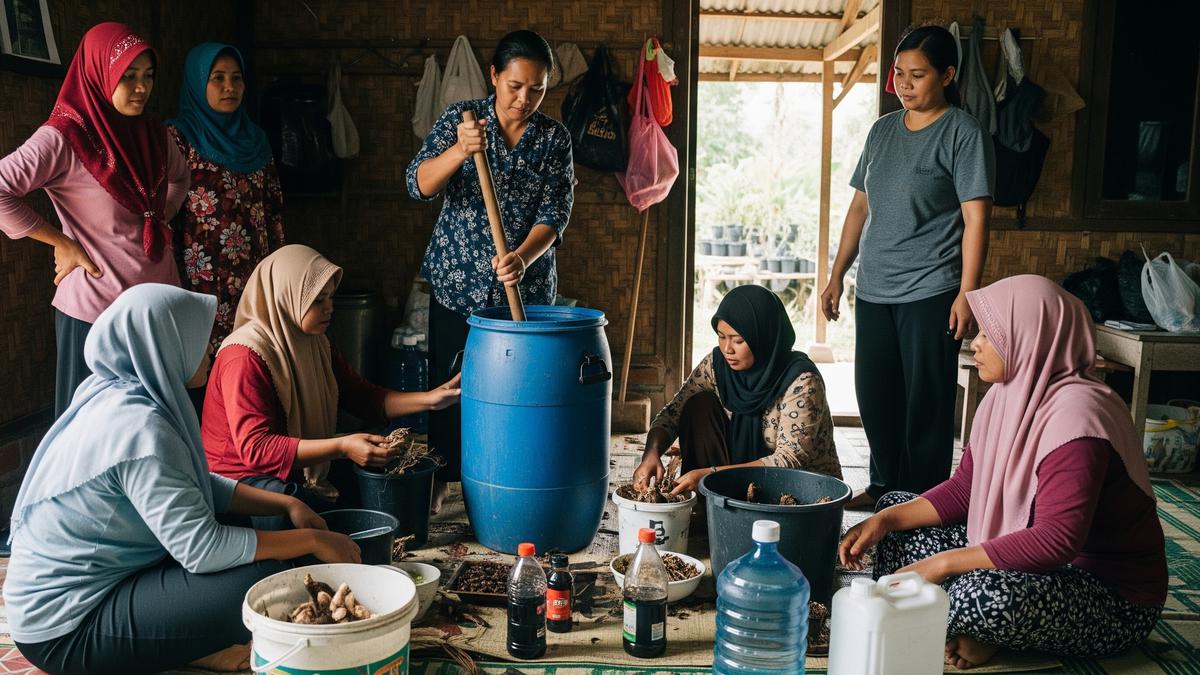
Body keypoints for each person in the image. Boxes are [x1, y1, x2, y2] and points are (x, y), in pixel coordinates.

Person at [3, 284, 361, 674]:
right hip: (67, 631)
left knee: (270, 518)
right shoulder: (141, 430)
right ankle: (183, 647)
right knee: (273, 580)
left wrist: (291, 503)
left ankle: (180, 645)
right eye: (200, 340)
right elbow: (202, 549)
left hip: (107, 584)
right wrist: (313, 539)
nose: (210, 350)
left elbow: (192, 484)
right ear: (165, 346)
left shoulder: (117, 391)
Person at [839, 275, 1165, 670]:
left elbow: (1056, 540)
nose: (974, 343)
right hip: (1034, 565)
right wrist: (885, 520)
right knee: (896, 513)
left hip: (1109, 595)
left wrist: (944, 564)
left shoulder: (1079, 419)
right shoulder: (1006, 395)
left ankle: (985, 631)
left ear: (1031, 339)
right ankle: (964, 625)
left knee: (982, 595)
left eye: (990, 335)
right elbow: (965, 491)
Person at [820, 24, 995, 509]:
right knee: (876, 396)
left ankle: (921, 499)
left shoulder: (963, 133)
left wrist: (967, 293)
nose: (904, 84)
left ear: (948, 75)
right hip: (874, 288)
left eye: (918, 75)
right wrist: (837, 275)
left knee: (926, 403)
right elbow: (859, 208)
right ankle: (884, 487)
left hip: (932, 289)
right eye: (899, 73)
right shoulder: (881, 132)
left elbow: (976, 218)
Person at [406, 29, 574, 513]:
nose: (525, 99)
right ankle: (441, 477)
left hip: (524, 284)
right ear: (494, 77)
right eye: (516, 85)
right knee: (451, 384)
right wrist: (460, 150)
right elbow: (417, 185)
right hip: (458, 282)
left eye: (538, 88)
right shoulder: (461, 123)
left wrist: (522, 256)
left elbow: (555, 212)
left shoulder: (553, 138)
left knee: (518, 386)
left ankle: (509, 475)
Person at [0, 23, 190, 417]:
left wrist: (162, 217)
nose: (141, 87)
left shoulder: (155, 135)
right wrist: (62, 244)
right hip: (96, 312)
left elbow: (179, 178)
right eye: (128, 76)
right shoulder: (64, 137)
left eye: (148, 76)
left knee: (153, 427)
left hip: (155, 307)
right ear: (99, 74)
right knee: (90, 432)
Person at [202, 245, 461, 524]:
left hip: (290, 471)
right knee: (301, 512)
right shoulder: (244, 357)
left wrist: (430, 399)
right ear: (285, 298)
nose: (330, 308)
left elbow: (363, 397)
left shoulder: (314, 343)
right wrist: (341, 446)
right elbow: (257, 450)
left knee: (378, 482)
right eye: (318, 301)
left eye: (330, 298)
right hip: (239, 486)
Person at [632, 285, 842, 496]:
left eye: (738, 340)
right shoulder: (717, 366)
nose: (727, 349)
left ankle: (721, 500)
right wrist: (651, 453)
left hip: (799, 490)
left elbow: (789, 461)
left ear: (763, 337)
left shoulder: (801, 381)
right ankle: (710, 504)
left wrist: (709, 475)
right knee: (699, 405)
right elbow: (672, 414)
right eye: (721, 336)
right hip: (737, 478)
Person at [167, 42, 284, 359]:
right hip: (198, 285)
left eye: (236, 78)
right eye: (217, 78)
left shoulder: (257, 140)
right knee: (201, 370)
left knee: (250, 363)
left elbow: (272, 211)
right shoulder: (178, 138)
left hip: (253, 282)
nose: (229, 87)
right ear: (197, 81)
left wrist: (275, 277)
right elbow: (165, 215)